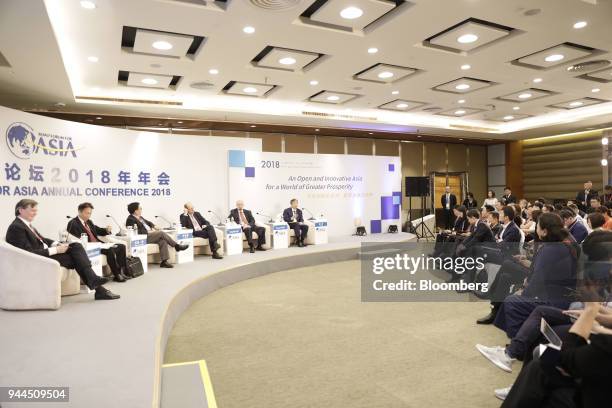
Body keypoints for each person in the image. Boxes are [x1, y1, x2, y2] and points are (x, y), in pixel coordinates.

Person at [6, 199, 119, 300]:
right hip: (39, 259)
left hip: (45, 254)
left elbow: (42, 239)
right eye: (32, 210)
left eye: (36, 210)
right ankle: (98, 287)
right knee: (77, 258)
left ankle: (97, 286)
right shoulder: (16, 227)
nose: (35, 213)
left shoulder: (26, 224)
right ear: (20, 210)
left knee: (76, 246)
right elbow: (27, 253)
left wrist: (57, 244)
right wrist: (56, 250)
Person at [493, 213, 578, 339]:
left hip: (555, 297)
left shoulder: (550, 249)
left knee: (512, 300)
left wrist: (523, 292)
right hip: (565, 292)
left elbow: (537, 281)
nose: (535, 230)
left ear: (544, 231)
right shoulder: (567, 241)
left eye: (537, 226)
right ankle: (496, 309)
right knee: (506, 277)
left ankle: (518, 344)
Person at [67, 202, 130, 282]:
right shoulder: (73, 223)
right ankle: (116, 274)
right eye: (87, 213)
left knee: (121, 246)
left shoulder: (89, 222)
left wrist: (106, 230)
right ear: (80, 212)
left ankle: (122, 271)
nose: (88, 215)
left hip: (100, 244)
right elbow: (75, 240)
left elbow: (98, 230)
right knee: (110, 250)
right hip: (90, 247)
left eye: (90, 213)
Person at [126, 202, 189, 268]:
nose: (141, 209)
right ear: (136, 211)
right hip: (142, 238)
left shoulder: (140, 217)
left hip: (148, 235)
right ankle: (176, 246)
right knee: (161, 233)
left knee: (162, 241)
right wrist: (149, 231)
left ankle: (164, 262)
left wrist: (154, 226)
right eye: (140, 208)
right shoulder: (130, 219)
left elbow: (149, 222)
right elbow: (133, 231)